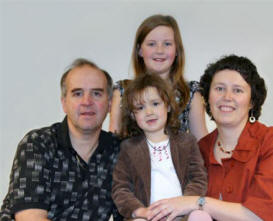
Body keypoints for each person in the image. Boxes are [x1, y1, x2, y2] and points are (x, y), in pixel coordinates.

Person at [147, 55, 273, 221]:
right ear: (207, 98)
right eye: (219, 89)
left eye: (237, 90)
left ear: (252, 101)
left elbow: (261, 216)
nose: (227, 97)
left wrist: (198, 202)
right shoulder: (199, 150)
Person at [0, 58, 123, 221]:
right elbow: (30, 217)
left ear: (109, 104)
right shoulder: (38, 144)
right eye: (77, 93)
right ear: (64, 103)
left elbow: (128, 212)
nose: (87, 102)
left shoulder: (119, 152)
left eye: (96, 93)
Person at [111, 74, 211, 221]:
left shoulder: (187, 142)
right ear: (133, 115)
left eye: (155, 104)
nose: (149, 112)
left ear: (168, 106)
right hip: (147, 216)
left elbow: (198, 178)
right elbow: (121, 188)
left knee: (201, 216)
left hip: (182, 213)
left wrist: (184, 204)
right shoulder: (128, 148)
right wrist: (139, 211)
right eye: (140, 107)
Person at [109, 14, 208, 141]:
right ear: (139, 50)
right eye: (151, 44)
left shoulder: (190, 93)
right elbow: (113, 141)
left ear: (177, 50)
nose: (160, 50)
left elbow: (202, 144)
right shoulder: (123, 90)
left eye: (167, 44)